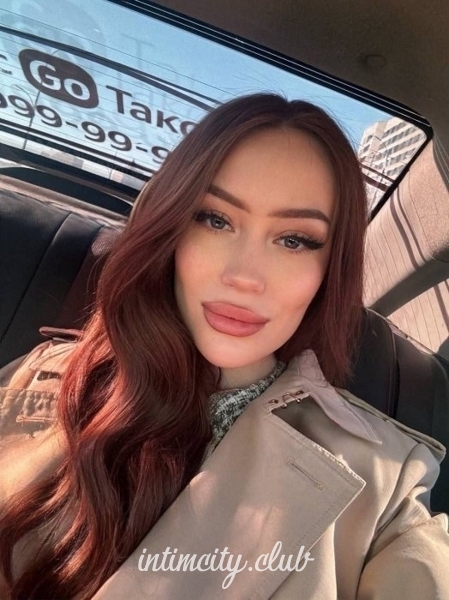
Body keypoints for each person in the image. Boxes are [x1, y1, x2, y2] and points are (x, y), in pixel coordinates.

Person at [0, 93, 448, 599]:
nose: (244, 277)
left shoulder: (387, 488)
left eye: (295, 240)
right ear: (171, 229)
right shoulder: (43, 372)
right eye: (215, 219)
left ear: (329, 269)